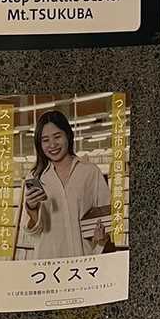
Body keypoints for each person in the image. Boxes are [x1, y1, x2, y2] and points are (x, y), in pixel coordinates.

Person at [23, 110, 110, 260]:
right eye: (45, 140)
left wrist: (102, 235)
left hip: (84, 260)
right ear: (39, 144)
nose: (52, 145)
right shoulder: (35, 177)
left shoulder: (90, 172)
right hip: (48, 261)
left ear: (68, 135)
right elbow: (32, 233)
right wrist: (31, 208)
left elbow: (106, 215)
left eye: (57, 136)